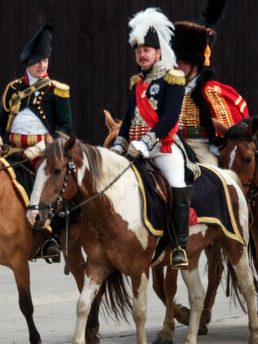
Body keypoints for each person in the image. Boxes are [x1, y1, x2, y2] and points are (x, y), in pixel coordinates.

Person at [111, 8, 191, 269]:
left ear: (158, 53)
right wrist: (119, 144)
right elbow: (128, 117)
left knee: (176, 181)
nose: (141, 55)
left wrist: (146, 143)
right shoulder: (136, 82)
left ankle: (179, 245)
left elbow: (169, 119)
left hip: (163, 147)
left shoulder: (173, 78)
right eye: (138, 51)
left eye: (146, 50)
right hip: (134, 148)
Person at [0, 24, 69, 261]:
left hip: (44, 154)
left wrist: (42, 148)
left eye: (45, 60)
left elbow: (65, 130)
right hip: (12, 152)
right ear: (28, 63)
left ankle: (50, 238)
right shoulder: (13, 89)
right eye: (37, 61)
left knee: (45, 186)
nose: (42, 65)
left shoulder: (57, 91)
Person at [173, 13, 248, 167]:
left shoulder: (210, 91)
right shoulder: (166, 86)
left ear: (196, 63)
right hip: (167, 143)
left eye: (182, 61)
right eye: (175, 60)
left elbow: (230, 132)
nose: (176, 66)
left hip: (199, 145)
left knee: (211, 173)